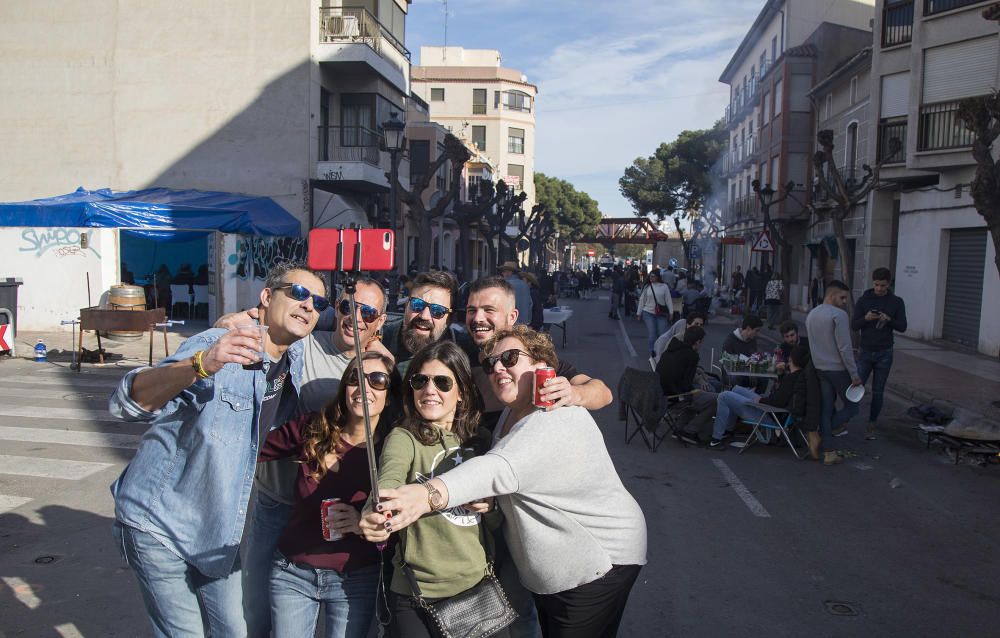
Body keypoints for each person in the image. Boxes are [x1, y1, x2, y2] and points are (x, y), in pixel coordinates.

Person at [363, 326, 647, 638]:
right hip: (558, 572)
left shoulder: (554, 417)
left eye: (510, 358)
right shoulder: (510, 415)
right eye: (491, 363)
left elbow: (498, 468)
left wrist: (426, 494)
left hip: (597, 563)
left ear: (542, 366)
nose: (498, 368)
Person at [109, 262, 326, 636]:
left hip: (216, 531)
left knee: (234, 631)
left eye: (318, 301)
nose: (308, 305)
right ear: (266, 297)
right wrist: (202, 364)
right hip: (158, 522)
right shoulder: (218, 344)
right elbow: (126, 403)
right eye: (298, 293)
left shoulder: (292, 358)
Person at [217, 276, 392, 637]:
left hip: (348, 549)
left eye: (368, 312)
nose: (355, 317)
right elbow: (276, 328)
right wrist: (231, 325)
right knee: (254, 604)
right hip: (278, 500)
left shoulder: (385, 386)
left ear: (381, 321)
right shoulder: (304, 345)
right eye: (347, 306)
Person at [260, 352, 399, 638]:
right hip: (292, 572)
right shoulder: (314, 427)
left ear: (390, 392)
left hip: (356, 579)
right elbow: (250, 447)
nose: (364, 387)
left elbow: (408, 518)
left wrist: (365, 521)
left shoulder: (394, 449)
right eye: (354, 378)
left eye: (378, 380)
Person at [370, 341, 495, 637]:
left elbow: (501, 520)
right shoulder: (403, 437)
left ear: (461, 391)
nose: (429, 390)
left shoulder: (481, 442)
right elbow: (388, 482)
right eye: (420, 380)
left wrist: (492, 506)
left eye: (442, 382)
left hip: (473, 586)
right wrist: (376, 512)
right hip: (416, 592)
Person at [710, 344, 810, 449]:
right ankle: (728, 430)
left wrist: (761, 400)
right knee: (736, 389)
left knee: (724, 395)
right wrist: (781, 375)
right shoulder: (799, 376)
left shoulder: (791, 379)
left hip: (770, 414)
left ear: (791, 359)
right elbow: (784, 395)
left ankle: (716, 439)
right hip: (776, 412)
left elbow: (779, 401)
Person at [851, 267, 907, 440]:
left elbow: (903, 326)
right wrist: (866, 319)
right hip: (866, 350)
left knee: (878, 391)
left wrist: (889, 320)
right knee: (856, 386)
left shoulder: (896, 301)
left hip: (885, 351)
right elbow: (854, 325)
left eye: (883, 285)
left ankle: (872, 423)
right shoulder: (864, 299)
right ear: (872, 282)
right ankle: (844, 420)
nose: (879, 288)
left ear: (888, 284)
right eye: (876, 285)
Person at [806, 280, 862, 442]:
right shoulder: (839, 315)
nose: (845, 302)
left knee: (827, 408)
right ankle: (823, 433)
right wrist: (854, 374)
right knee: (852, 408)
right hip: (837, 369)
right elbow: (845, 348)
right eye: (842, 298)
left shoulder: (812, 314)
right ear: (831, 296)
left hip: (820, 368)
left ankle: (827, 450)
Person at [655, 326, 718, 445]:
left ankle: (680, 427)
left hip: (660, 392)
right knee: (718, 399)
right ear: (698, 342)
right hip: (676, 396)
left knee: (699, 395)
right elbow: (686, 385)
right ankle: (689, 430)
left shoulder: (671, 349)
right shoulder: (691, 355)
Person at [636, 270, 673, 359]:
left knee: (661, 334)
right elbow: (642, 300)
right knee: (652, 334)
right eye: (650, 276)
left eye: (653, 276)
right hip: (648, 313)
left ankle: (660, 351)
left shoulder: (664, 287)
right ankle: (652, 352)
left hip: (661, 314)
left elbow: (668, 300)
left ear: (658, 277)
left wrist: (671, 312)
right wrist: (639, 313)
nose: (651, 278)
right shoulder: (647, 287)